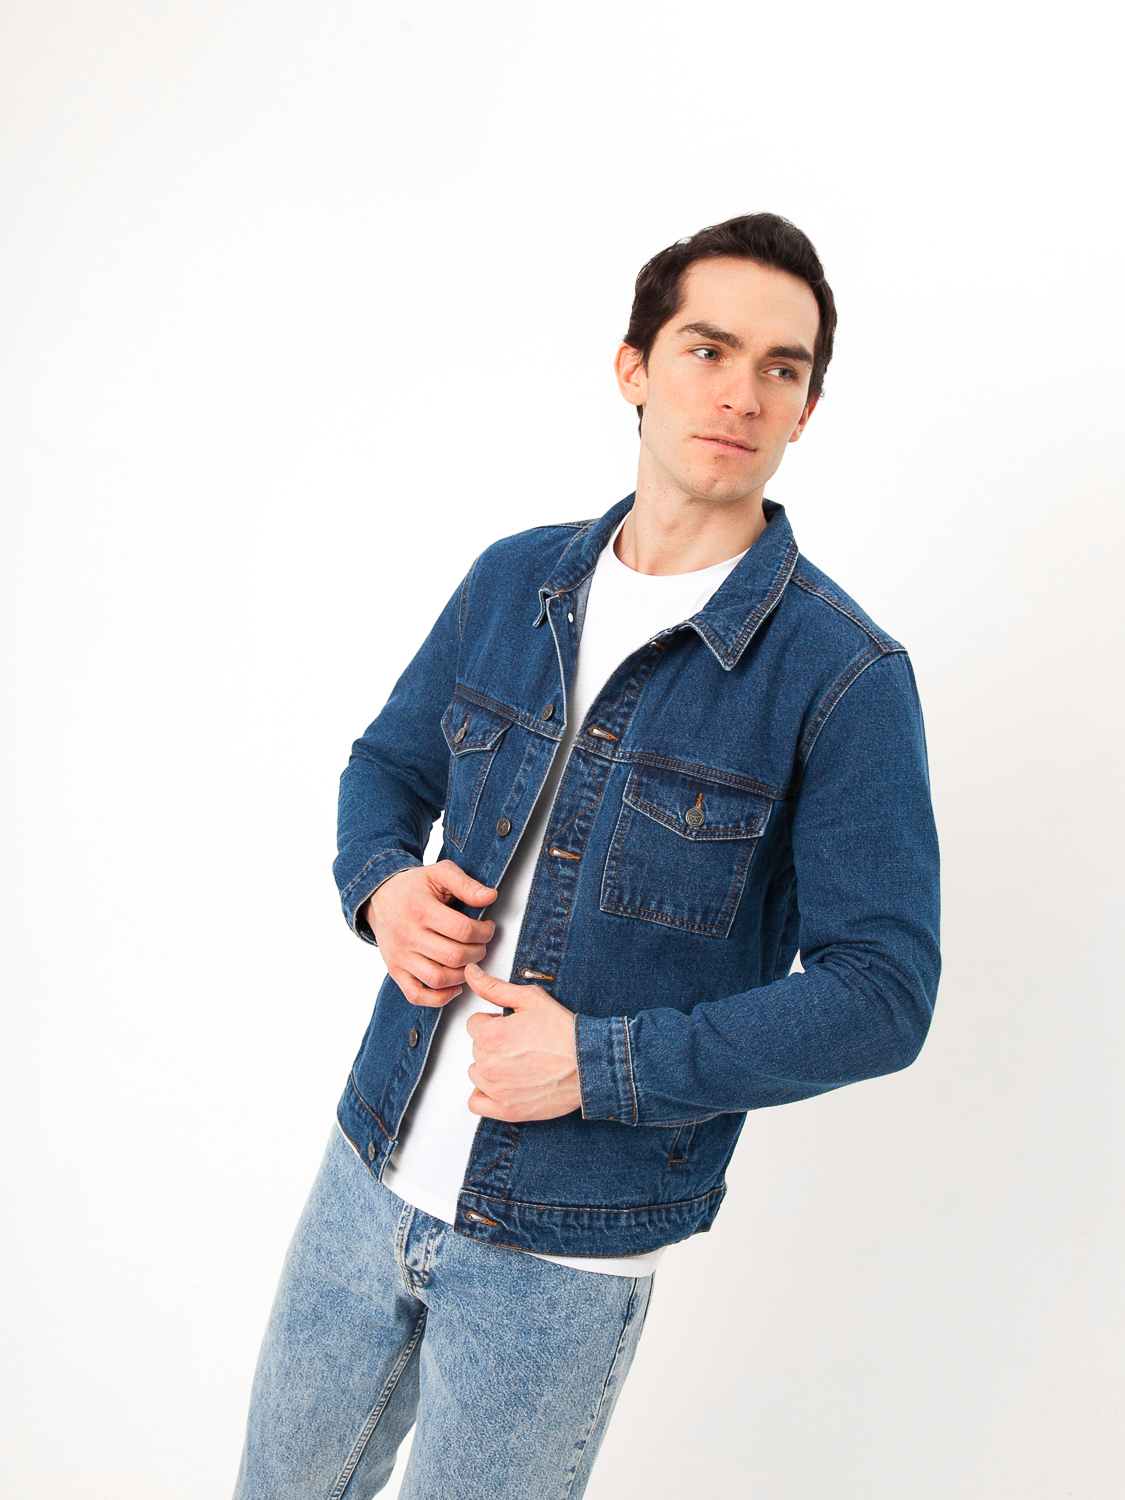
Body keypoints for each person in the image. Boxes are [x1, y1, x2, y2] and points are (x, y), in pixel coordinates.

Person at [234, 212, 941, 1499]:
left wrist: (604, 1063)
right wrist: (382, 888)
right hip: (368, 1164)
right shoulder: (516, 582)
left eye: (781, 367)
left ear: (807, 409)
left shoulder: (843, 677)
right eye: (707, 349)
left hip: (564, 1251)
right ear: (634, 367)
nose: (741, 392)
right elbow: (387, 767)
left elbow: (883, 996)